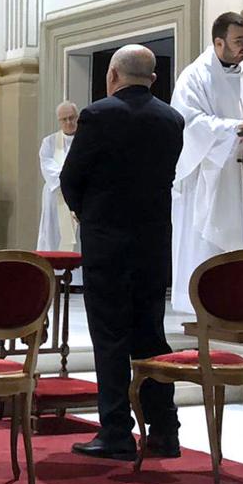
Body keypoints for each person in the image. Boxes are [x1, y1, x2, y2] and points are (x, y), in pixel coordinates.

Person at [60, 44, 183, 461]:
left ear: (113, 76)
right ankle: (165, 429)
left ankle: (115, 430)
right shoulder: (172, 120)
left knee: (110, 338)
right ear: (153, 79)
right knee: (151, 336)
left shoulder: (98, 114)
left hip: (108, 247)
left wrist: (89, 215)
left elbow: (71, 177)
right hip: (152, 248)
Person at [171, 12, 243, 316]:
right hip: (218, 174)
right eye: (239, 40)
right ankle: (213, 304)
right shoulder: (195, 76)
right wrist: (232, 128)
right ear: (218, 41)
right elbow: (188, 121)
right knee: (218, 237)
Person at [37, 100, 83, 286]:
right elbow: (48, 166)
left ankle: (76, 281)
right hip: (55, 194)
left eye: (72, 118)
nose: (68, 123)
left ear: (77, 118)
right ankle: (52, 275)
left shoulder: (85, 139)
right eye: (64, 119)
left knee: (76, 236)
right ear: (58, 121)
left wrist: (72, 180)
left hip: (78, 195)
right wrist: (66, 180)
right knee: (52, 233)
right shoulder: (49, 142)